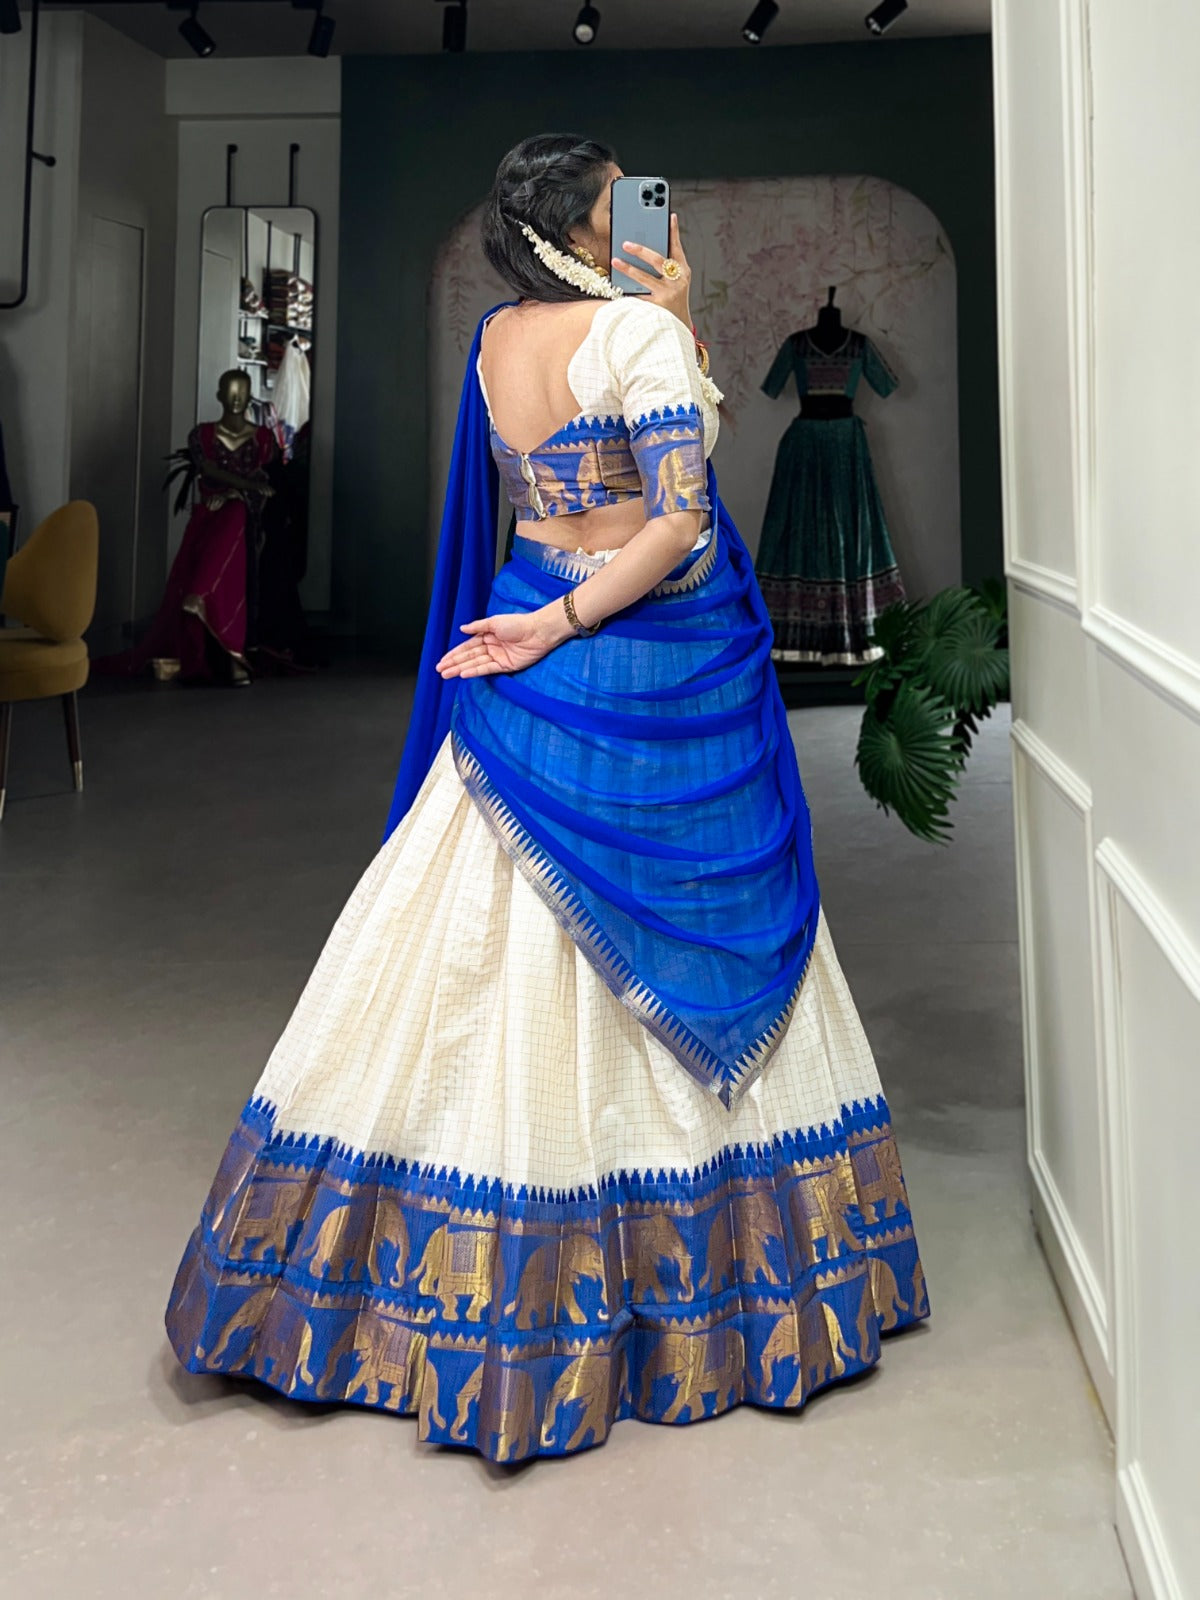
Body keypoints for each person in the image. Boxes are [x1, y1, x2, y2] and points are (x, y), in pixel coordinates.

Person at [164, 135, 930, 1463]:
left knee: (470, 928)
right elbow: (677, 521)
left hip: (528, 625)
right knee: (695, 909)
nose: (647, 210)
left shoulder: (499, 338)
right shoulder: (631, 332)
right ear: (583, 225)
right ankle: (701, 1284)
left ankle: (384, 1279)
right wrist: (568, 613)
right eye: (623, 197)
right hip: (626, 643)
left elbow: (578, 477)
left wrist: (672, 331)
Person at [96, 371, 275, 686]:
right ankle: (209, 620)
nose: (236, 398)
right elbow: (208, 470)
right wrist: (240, 487)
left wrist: (237, 494)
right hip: (210, 515)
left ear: (250, 397)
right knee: (224, 526)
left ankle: (206, 604)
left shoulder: (263, 439)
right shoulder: (202, 435)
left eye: (242, 392)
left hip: (243, 516)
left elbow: (266, 482)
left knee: (235, 519)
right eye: (230, 391)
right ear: (218, 395)